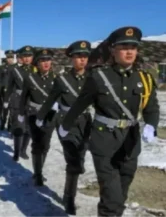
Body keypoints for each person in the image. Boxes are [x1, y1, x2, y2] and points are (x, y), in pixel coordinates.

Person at [59, 26, 159, 217]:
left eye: (133, 47)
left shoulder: (144, 78)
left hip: (130, 143)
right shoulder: (99, 77)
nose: (129, 51)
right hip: (104, 142)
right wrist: (65, 126)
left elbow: (152, 107)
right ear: (113, 50)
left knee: (120, 196)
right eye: (123, 47)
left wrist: (151, 125)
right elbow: (79, 105)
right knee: (112, 198)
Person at [36, 40, 92, 214]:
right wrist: (40, 117)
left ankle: (71, 186)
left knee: (80, 156)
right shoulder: (63, 80)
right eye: (78, 56)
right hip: (66, 122)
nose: (82, 60)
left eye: (84, 56)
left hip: (86, 122)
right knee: (73, 159)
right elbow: (51, 99)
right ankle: (69, 198)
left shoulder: (94, 79)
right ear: (71, 59)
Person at [18, 48, 58, 186]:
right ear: (37, 63)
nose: (46, 63)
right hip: (34, 115)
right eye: (42, 60)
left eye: (48, 60)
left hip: (51, 116)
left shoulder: (57, 78)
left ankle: (39, 169)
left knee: (46, 145)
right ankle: (38, 174)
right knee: (37, 144)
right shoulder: (30, 79)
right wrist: (21, 113)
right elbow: (24, 97)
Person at [4, 46, 31, 161]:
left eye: (29, 56)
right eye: (24, 56)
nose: (26, 59)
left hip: (31, 101)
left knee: (29, 128)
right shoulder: (15, 71)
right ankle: (16, 151)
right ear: (20, 58)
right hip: (17, 100)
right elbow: (10, 86)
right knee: (18, 128)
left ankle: (23, 150)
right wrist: (6, 99)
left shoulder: (35, 70)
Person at [0, 50, 15, 131]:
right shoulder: (2, 68)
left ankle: (10, 125)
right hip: (4, 92)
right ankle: (2, 123)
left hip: (13, 92)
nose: (10, 59)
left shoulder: (16, 68)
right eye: (8, 57)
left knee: (12, 110)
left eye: (11, 57)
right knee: (4, 109)